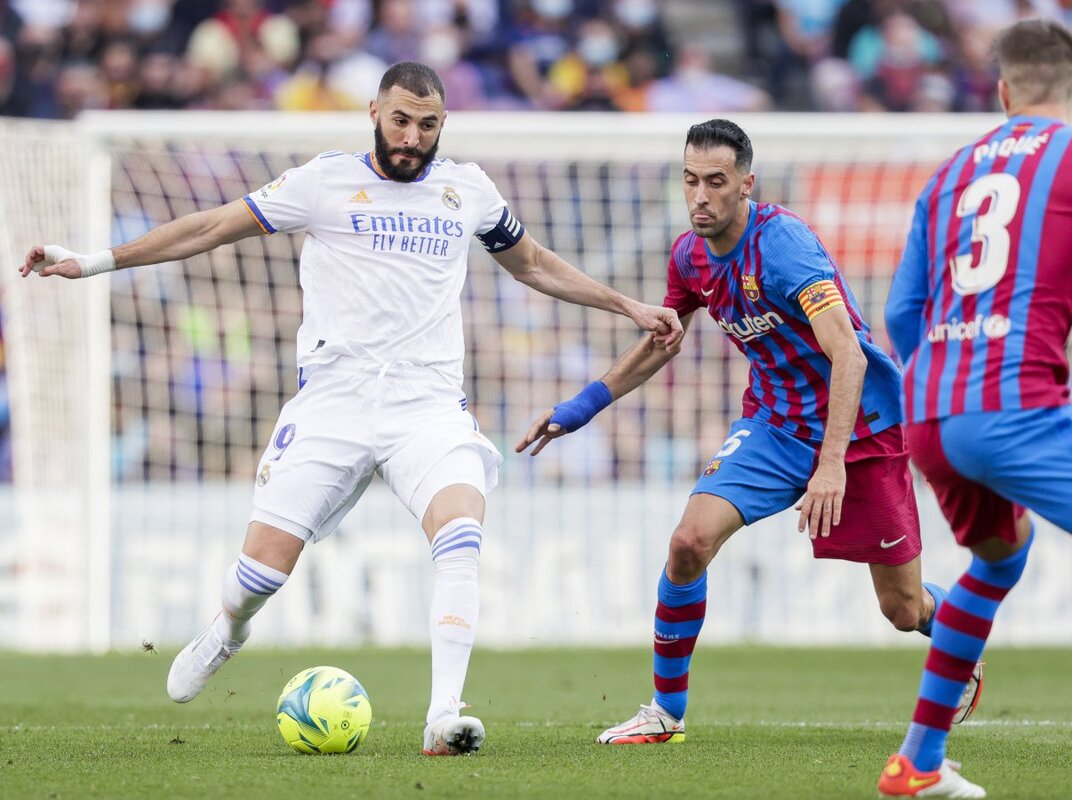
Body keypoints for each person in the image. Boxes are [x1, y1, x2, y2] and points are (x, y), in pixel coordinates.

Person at [21, 61, 682, 757]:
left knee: (460, 536)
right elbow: (212, 228)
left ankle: (443, 715)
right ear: (374, 111)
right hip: (333, 406)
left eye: (427, 125)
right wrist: (92, 261)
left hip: (427, 408)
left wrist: (627, 305)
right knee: (258, 580)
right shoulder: (324, 182)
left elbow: (534, 264)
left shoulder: (469, 190)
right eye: (400, 120)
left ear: (442, 126)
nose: (412, 136)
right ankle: (228, 630)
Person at [518, 118, 979, 746]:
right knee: (688, 543)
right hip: (774, 425)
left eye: (716, 182)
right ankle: (665, 712)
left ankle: (960, 631)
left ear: (746, 184)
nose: (700, 196)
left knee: (902, 611)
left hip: (861, 431)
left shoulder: (784, 246)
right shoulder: (689, 256)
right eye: (690, 181)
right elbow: (664, 341)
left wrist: (833, 464)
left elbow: (848, 355)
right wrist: (583, 405)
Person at [876, 19, 1072, 799]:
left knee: (998, 559)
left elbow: (898, 313)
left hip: (929, 412)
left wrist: (950, 374)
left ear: (1002, 92)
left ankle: (918, 762)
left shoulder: (951, 170)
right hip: (1015, 404)